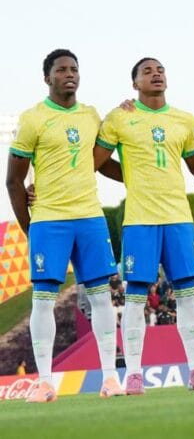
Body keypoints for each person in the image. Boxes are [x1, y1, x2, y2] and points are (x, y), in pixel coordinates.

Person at [7, 49, 125, 402]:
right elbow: (14, 180)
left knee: (102, 298)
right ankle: (45, 382)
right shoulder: (33, 118)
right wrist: (31, 229)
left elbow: (102, 162)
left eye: (74, 68)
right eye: (61, 70)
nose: (69, 74)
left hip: (90, 217)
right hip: (50, 221)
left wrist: (141, 176)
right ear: (48, 77)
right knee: (42, 302)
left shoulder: (91, 115)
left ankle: (110, 379)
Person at [94, 57, 194, 392]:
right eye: (147, 71)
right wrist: (130, 178)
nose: (156, 74)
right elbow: (96, 161)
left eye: (160, 69)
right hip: (140, 220)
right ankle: (133, 374)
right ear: (134, 83)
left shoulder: (182, 120)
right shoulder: (121, 117)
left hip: (178, 218)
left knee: (188, 294)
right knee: (135, 295)